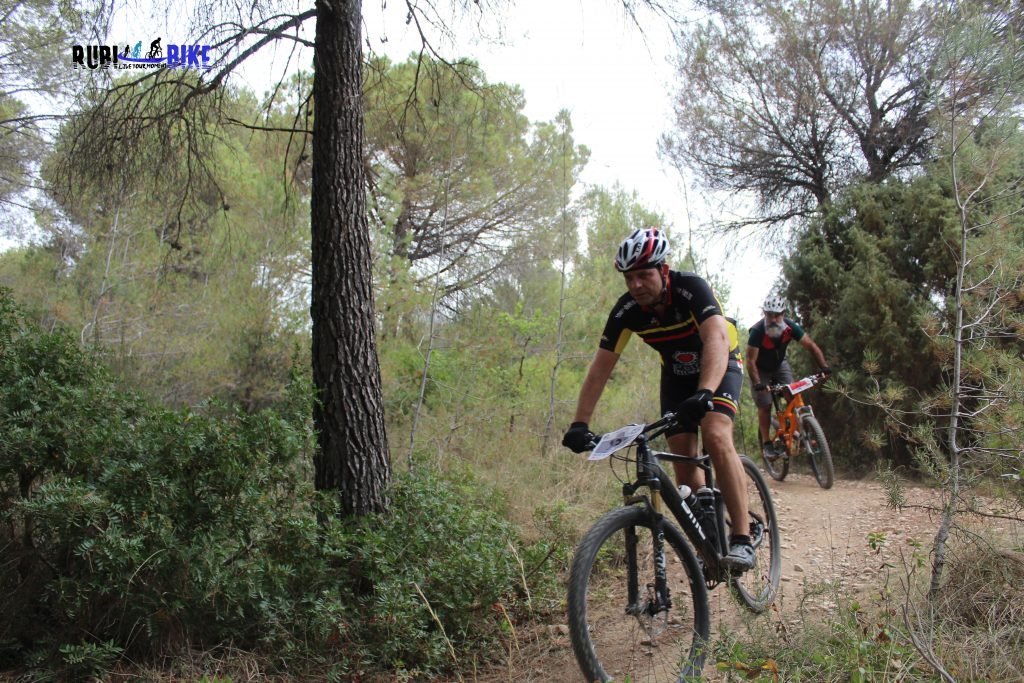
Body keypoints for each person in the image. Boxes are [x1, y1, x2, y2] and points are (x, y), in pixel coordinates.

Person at [561, 228, 755, 571]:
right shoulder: (626, 311)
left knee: (715, 433)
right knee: (684, 465)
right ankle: (709, 537)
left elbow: (716, 339)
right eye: (629, 278)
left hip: (720, 363)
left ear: (663, 270)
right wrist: (580, 423)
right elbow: (600, 369)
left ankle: (742, 538)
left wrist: (705, 392)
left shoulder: (690, 288)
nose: (636, 285)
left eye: (644, 275)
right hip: (677, 375)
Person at [746, 294, 831, 461]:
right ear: (764, 313)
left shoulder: (790, 327)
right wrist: (757, 383)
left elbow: (811, 346)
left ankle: (798, 432)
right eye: (769, 314)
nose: (773, 319)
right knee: (765, 404)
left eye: (777, 315)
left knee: (792, 393)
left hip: (779, 365)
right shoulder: (757, 331)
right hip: (760, 369)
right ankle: (767, 444)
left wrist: (824, 367)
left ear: (783, 314)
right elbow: (750, 361)